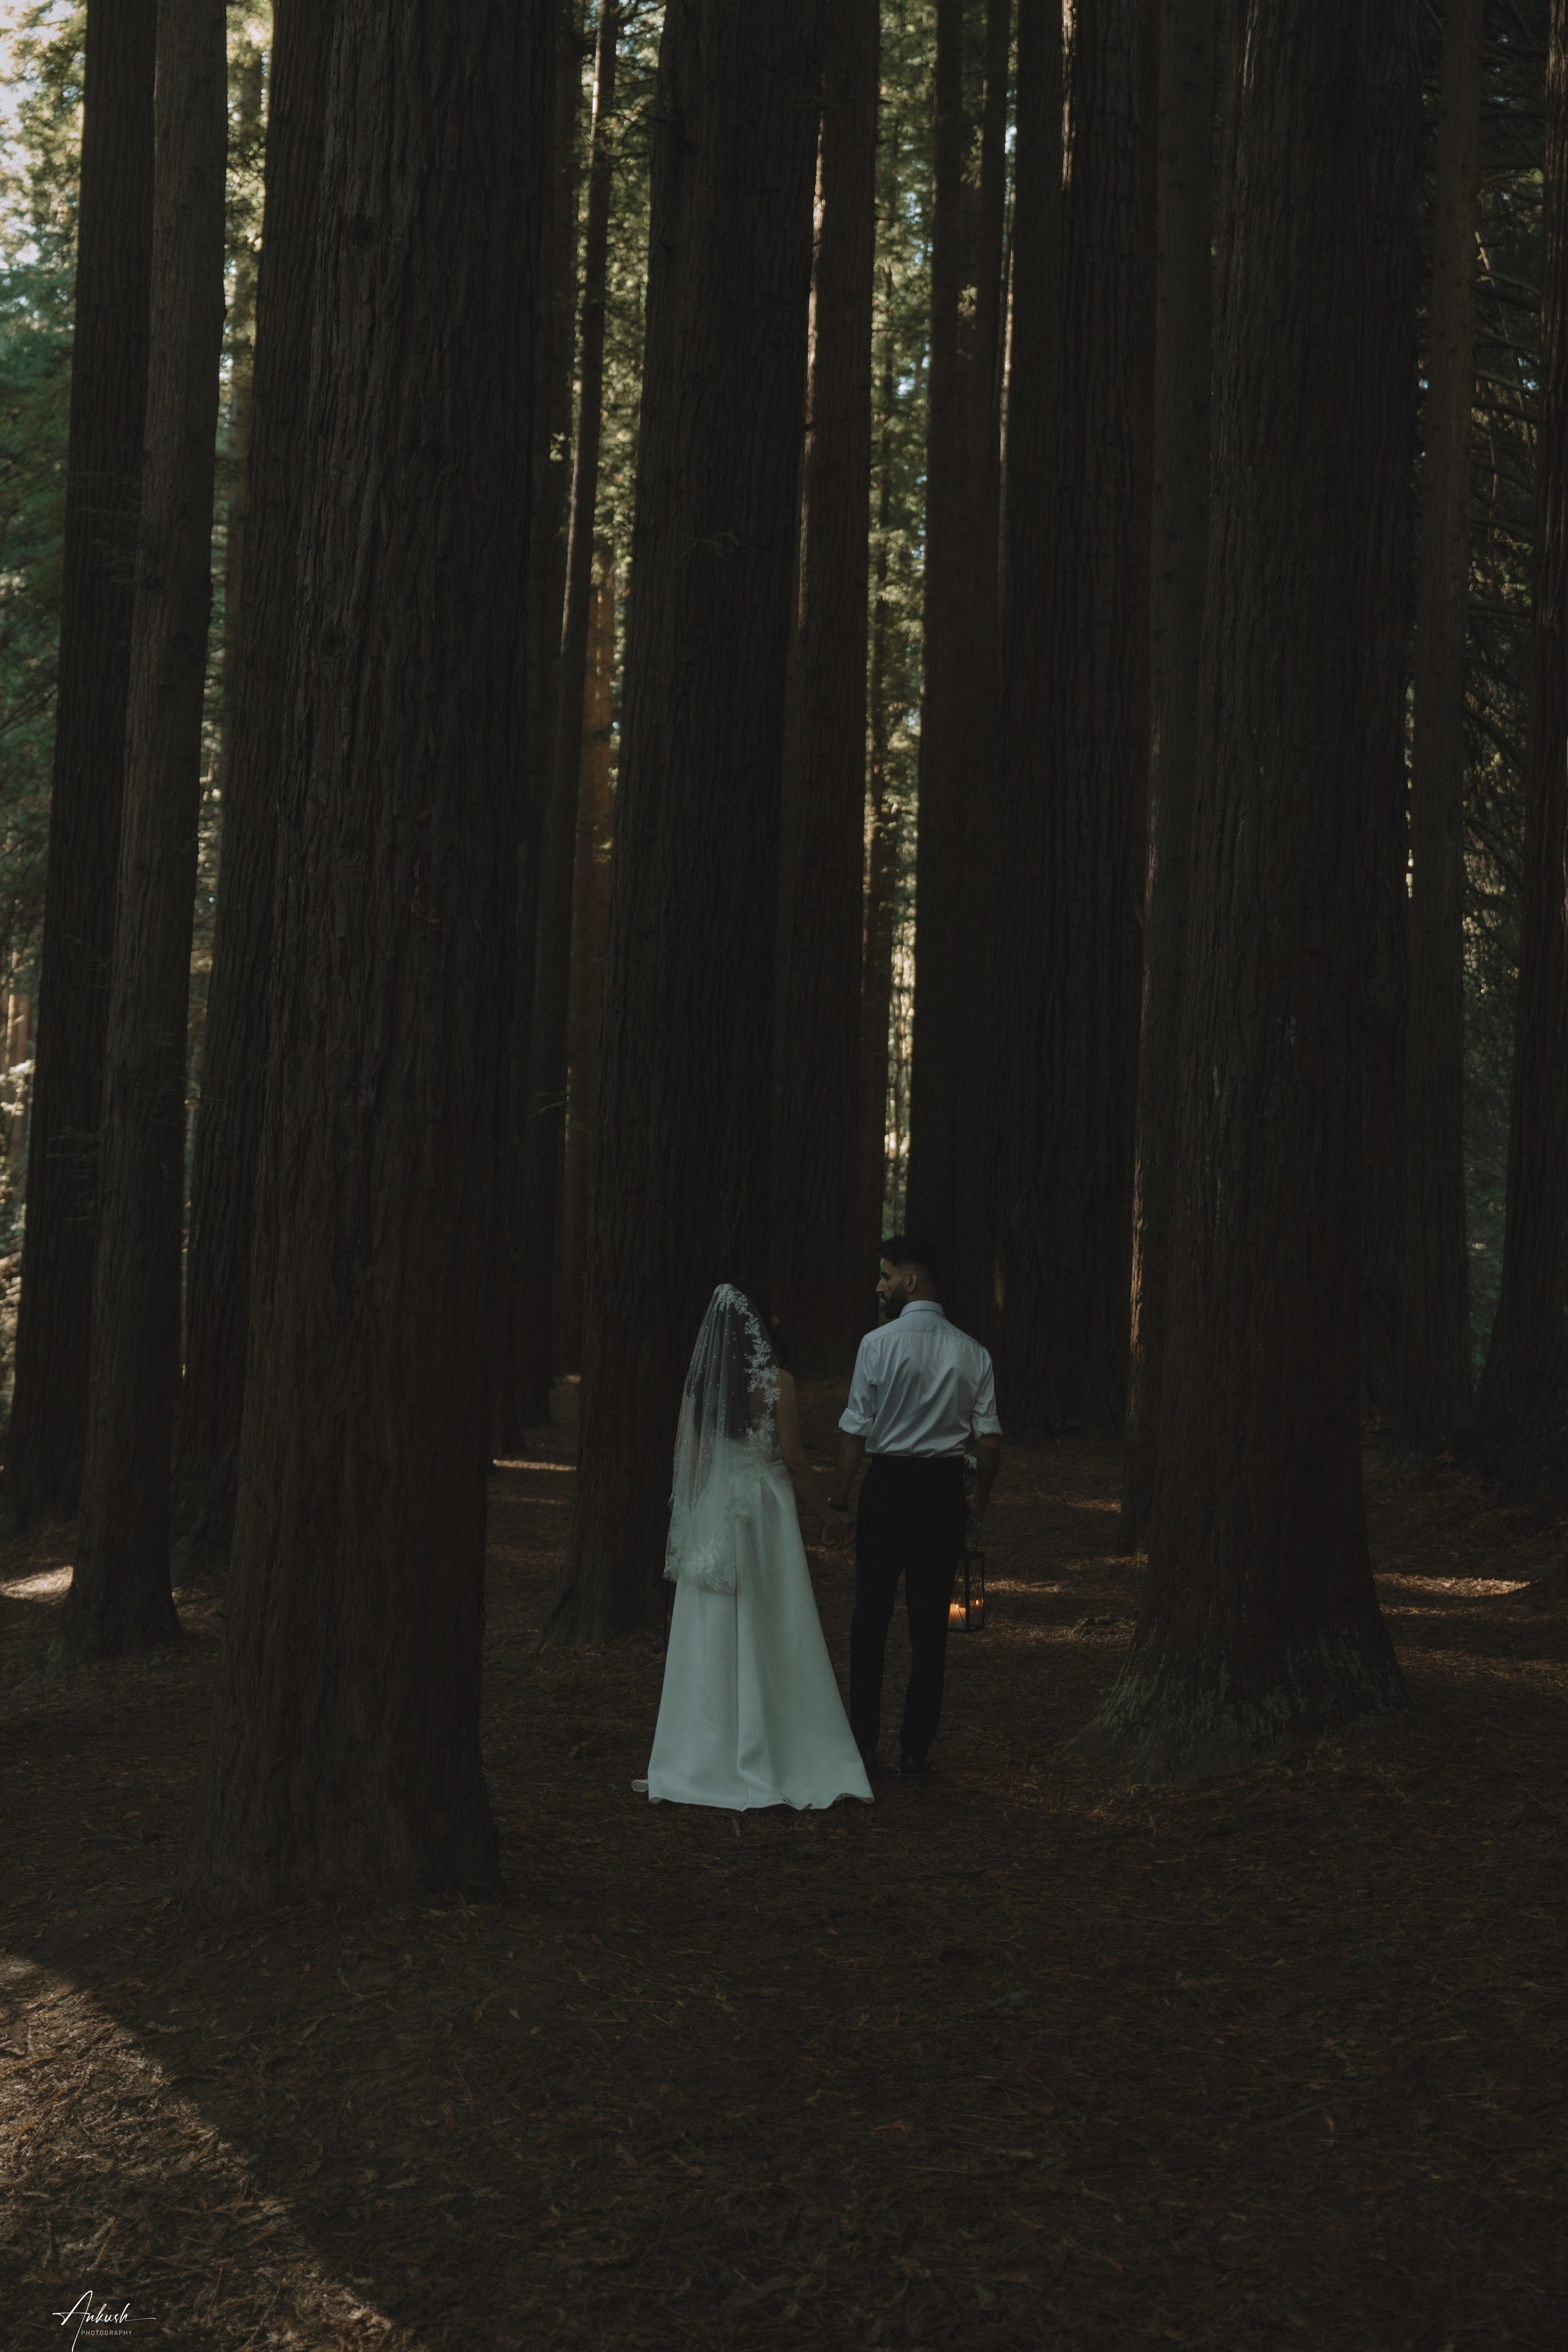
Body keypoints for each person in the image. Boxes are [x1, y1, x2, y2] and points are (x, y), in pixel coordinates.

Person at [639, 1283, 873, 1811]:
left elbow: (692, 1465)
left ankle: (703, 1753)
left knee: (714, 1629)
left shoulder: (699, 1388)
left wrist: (699, 1526)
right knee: (773, 1623)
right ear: (760, 1326)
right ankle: (778, 1741)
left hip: (716, 1512)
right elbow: (794, 1461)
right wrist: (830, 1515)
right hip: (765, 1515)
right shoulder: (777, 1382)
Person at [828, 1237, 1003, 1780]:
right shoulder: (973, 1352)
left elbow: (856, 1431)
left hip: (887, 1488)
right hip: (941, 1493)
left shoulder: (876, 1344)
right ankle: (914, 1749)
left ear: (911, 1281)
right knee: (929, 1626)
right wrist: (979, 1498)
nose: (879, 1285)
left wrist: (840, 1498)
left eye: (885, 1275)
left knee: (869, 1620)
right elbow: (991, 1439)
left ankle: (863, 1745)